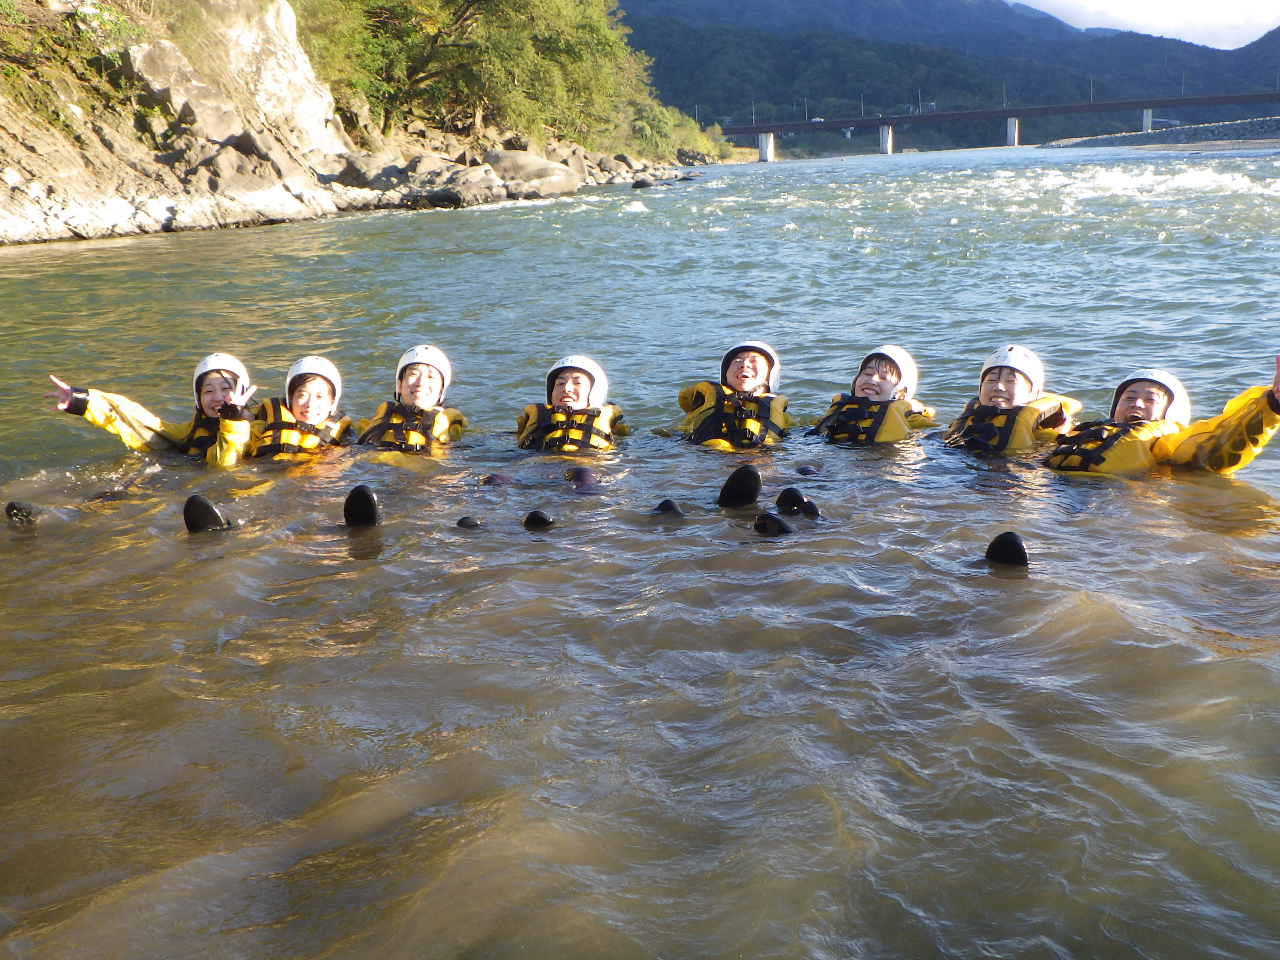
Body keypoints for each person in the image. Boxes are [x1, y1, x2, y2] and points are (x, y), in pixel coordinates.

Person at [1044, 361, 1280, 475]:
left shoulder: (1166, 444)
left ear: (1170, 413)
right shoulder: (1085, 432)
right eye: (1129, 398)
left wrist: (1272, 405)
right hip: (1058, 490)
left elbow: (1221, 441)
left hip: (1111, 502)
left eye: (1150, 400)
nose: (1137, 403)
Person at [45, 353, 257, 466]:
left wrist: (233, 420)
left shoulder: (259, 431)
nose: (217, 397)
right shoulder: (190, 432)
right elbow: (141, 423)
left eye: (226, 389)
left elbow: (224, 470)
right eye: (208, 391)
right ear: (198, 399)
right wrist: (82, 400)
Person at [944, 344, 1080, 453]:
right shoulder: (965, 425)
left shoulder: (1048, 439)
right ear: (980, 388)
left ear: (1034, 393)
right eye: (991, 380)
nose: (998, 386)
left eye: (1010, 381)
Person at [677, 341, 798, 451]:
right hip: (709, 457)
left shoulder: (780, 414)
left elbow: (803, 432)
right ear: (726, 374)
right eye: (737, 361)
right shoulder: (703, 409)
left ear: (770, 374)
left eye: (754, 360)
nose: (744, 364)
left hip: (763, 458)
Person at [810, 344, 936, 444]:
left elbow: (936, 436)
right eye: (868, 373)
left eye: (884, 377)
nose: (872, 380)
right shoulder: (838, 410)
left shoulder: (911, 420)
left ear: (901, 394)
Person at [355, 345, 466, 451]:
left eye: (430, 377)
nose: (421, 383)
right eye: (413, 374)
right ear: (399, 385)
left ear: (441, 390)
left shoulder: (449, 424)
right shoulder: (382, 417)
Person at [516, 355, 629, 452]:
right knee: (499, 477)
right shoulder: (533, 422)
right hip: (537, 467)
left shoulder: (612, 428)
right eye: (560, 383)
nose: (566, 388)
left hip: (589, 465)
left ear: (595, 391)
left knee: (584, 475)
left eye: (577, 383)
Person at [250, 356, 352, 459]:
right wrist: (237, 416)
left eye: (319, 397)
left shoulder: (346, 438)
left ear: (332, 402)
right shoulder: (260, 426)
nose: (310, 404)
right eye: (303, 395)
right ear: (290, 398)